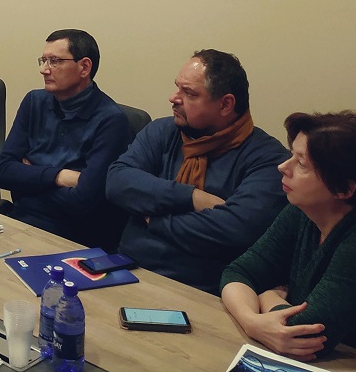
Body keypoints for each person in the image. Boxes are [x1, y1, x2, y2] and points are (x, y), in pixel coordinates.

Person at [105, 49, 289, 293]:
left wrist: (155, 219)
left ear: (225, 104)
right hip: (129, 267)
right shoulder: (164, 130)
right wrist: (192, 197)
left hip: (201, 289)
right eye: (177, 88)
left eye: (189, 93)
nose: (173, 98)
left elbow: (235, 229)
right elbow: (117, 181)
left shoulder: (268, 158)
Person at [221, 111, 356, 360]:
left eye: (301, 163)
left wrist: (267, 294)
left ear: (344, 188)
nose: (283, 167)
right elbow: (238, 272)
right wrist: (251, 321)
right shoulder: (302, 210)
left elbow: (306, 334)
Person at [0, 29, 131, 249]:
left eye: (55, 61)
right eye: (43, 60)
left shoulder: (112, 121)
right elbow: (2, 173)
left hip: (73, 239)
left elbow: (84, 201)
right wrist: (60, 176)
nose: (44, 69)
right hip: (20, 221)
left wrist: (27, 181)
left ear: (84, 67)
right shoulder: (34, 101)